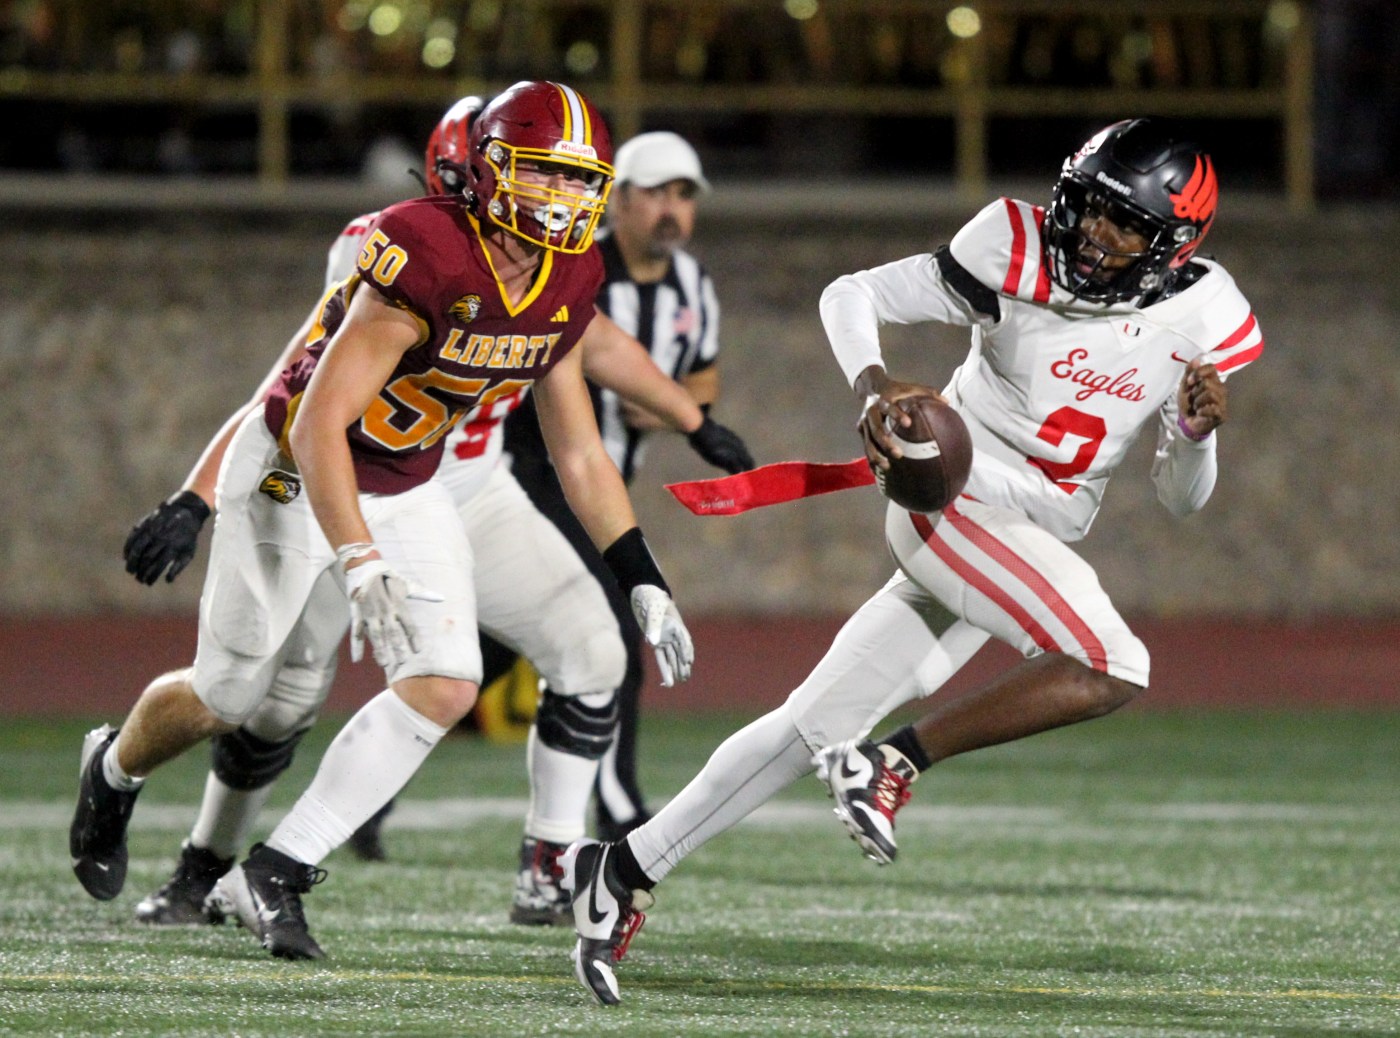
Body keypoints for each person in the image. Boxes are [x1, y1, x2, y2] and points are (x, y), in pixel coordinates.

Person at [558, 117, 1263, 1004]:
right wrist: (873, 384)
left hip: (1028, 537)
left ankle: (619, 869)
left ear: (1174, 246)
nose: (1092, 233)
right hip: (949, 499)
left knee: (807, 727)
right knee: (1113, 663)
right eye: (1087, 207)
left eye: (1125, 224)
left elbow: (1182, 497)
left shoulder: (1210, 317)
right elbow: (850, 295)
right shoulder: (1011, 246)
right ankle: (895, 763)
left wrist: (1196, 435)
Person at [69, 80, 714, 962]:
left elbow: (579, 452)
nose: (564, 201)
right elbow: (314, 419)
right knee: (232, 693)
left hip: (412, 473)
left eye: (579, 181)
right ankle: (113, 767)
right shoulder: (423, 249)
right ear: (487, 173)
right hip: (294, 471)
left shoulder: (567, 273)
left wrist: (639, 570)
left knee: (446, 681)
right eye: (543, 176)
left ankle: (279, 870)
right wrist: (357, 558)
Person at [352, 129, 731, 861]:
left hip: (594, 473)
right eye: (657, 192)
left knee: (487, 658)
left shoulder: (690, 284)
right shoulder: (568, 266)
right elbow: (584, 378)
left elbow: (697, 379)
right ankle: (618, 811)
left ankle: (374, 796)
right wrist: (680, 412)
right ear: (620, 199)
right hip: (530, 465)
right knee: (609, 630)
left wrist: (689, 415)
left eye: (685, 194)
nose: (672, 210)